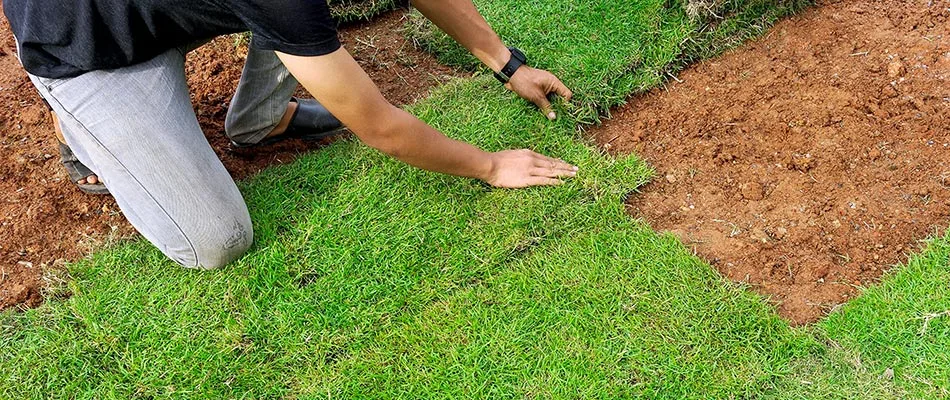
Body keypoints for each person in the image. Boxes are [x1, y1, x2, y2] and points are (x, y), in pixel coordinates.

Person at [4, 0, 577, 269]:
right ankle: (78, 128)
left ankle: (259, 121)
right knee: (215, 242)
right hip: (86, 46)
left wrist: (507, 62)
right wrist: (490, 165)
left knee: (298, 24)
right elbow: (379, 126)